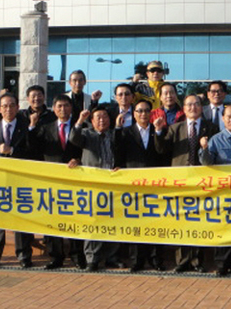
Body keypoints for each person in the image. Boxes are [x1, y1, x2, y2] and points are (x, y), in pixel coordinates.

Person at [154, 94, 218, 272]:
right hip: (180, 180)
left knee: (199, 219)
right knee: (181, 219)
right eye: (189, 104)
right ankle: (182, 261)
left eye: (197, 104)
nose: (193, 107)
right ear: (183, 108)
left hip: (202, 180)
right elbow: (161, 149)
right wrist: (159, 132)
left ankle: (197, 261)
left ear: (201, 107)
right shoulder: (175, 128)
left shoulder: (211, 127)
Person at [28, 94, 84, 269]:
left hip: (74, 180)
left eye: (66, 106)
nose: (63, 109)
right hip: (51, 182)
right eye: (59, 106)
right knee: (53, 219)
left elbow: (86, 148)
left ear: (71, 108)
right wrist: (31, 126)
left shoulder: (80, 127)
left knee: (75, 218)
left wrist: (79, 160)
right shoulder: (45, 128)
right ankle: (56, 256)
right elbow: (32, 149)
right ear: (53, 109)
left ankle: (76, 255)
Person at [0, 92, 35, 268]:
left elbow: (32, 155)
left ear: (18, 108)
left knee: (21, 220)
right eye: (4, 106)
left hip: (20, 183)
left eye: (12, 105)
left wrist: (11, 151)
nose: (8, 109)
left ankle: (24, 255)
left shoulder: (26, 128)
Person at [116, 98, 165, 272]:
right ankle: (137, 260)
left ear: (151, 114)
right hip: (134, 185)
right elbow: (118, 155)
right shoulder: (125, 132)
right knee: (136, 223)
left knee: (155, 223)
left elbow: (162, 153)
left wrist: (159, 133)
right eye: (139, 111)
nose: (143, 114)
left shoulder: (159, 130)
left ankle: (155, 259)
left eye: (146, 111)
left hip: (155, 184)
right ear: (134, 114)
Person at [68, 107, 119, 271]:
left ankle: (111, 257)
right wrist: (79, 121)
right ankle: (92, 258)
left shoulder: (115, 135)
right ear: (92, 121)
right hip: (93, 185)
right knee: (93, 221)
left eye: (105, 116)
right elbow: (73, 139)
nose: (102, 120)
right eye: (98, 117)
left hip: (113, 184)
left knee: (114, 221)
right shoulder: (86, 134)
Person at [199, 104, 231, 276]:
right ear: (223, 118)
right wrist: (204, 148)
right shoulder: (215, 140)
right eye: (228, 116)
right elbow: (206, 163)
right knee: (223, 227)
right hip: (223, 192)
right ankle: (222, 264)